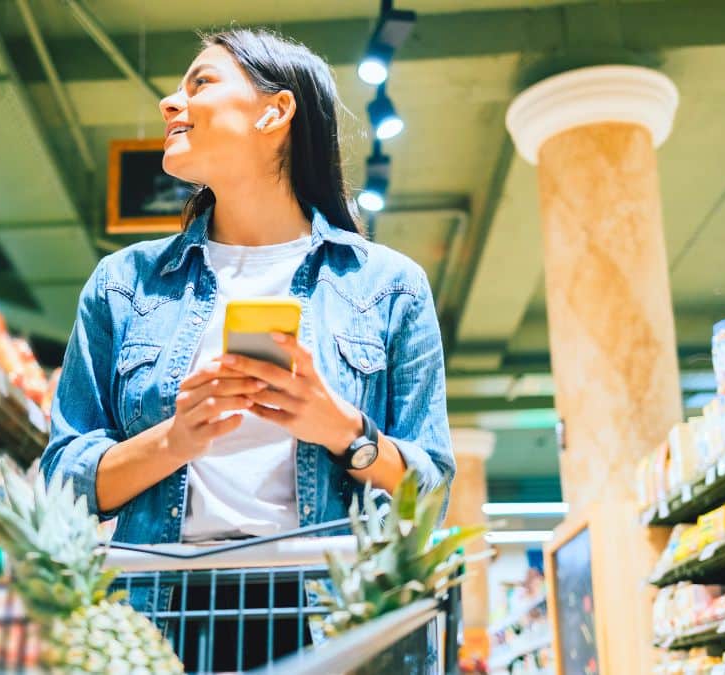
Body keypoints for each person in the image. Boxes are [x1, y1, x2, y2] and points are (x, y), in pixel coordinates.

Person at [40, 28, 455, 668]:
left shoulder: (388, 285)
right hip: (159, 613)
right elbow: (62, 478)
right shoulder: (124, 284)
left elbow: (430, 489)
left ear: (275, 111)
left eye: (200, 82)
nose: (170, 103)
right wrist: (176, 439)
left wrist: (343, 431)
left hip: (329, 616)